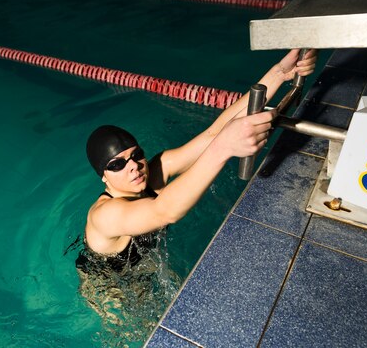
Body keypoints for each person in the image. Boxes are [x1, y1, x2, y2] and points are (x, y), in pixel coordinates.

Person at [75, 49, 317, 334]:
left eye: (136, 154)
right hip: (109, 283)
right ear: (104, 177)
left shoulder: (154, 171)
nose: (133, 166)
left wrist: (279, 73)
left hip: (143, 265)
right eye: (117, 164)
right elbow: (164, 211)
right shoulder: (106, 215)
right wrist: (225, 149)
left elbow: (213, 133)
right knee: (136, 335)